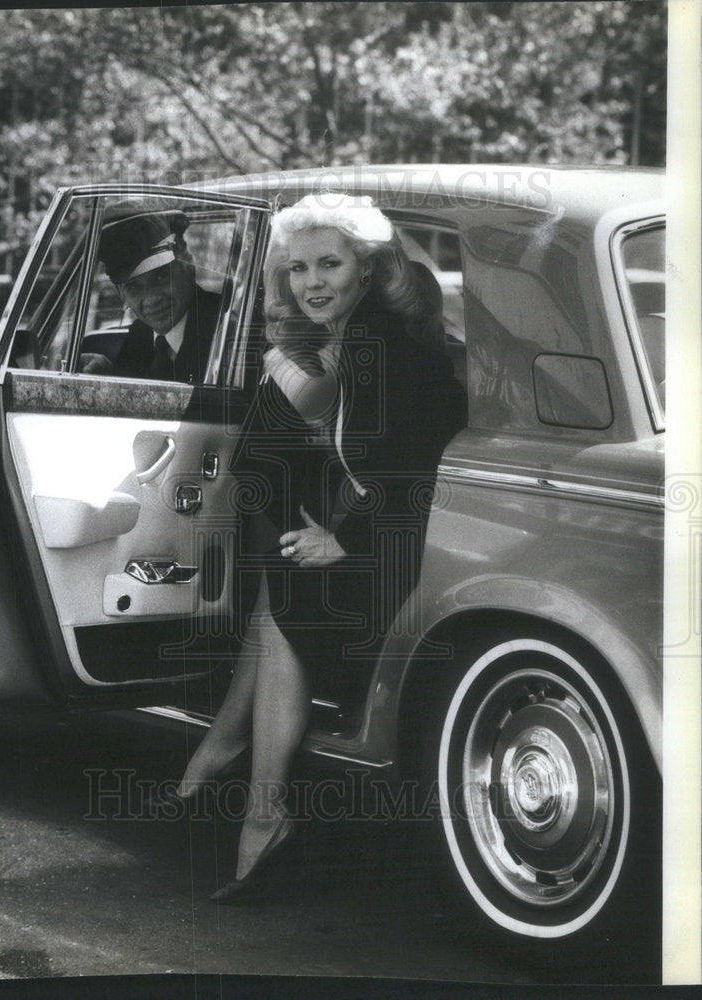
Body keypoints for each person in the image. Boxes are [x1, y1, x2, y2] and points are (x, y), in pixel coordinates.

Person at [177, 193, 466, 901]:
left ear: (367, 269)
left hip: (411, 556)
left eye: (329, 264)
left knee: (289, 590)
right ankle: (242, 772)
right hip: (395, 539)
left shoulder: (388, 347)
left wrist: (344, 541)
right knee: (284, 570)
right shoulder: (352, 339)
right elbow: (273, 453)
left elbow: (416, 469)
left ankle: (255, 792)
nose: (311, 281)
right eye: (299, 267)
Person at [80, 201, 221, 383]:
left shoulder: (222, 323)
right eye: (134, 288)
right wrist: (109, 375)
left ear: (188, 266)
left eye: (161, 277)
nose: (151, 299)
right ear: (122, 294)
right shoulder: (141, 336)